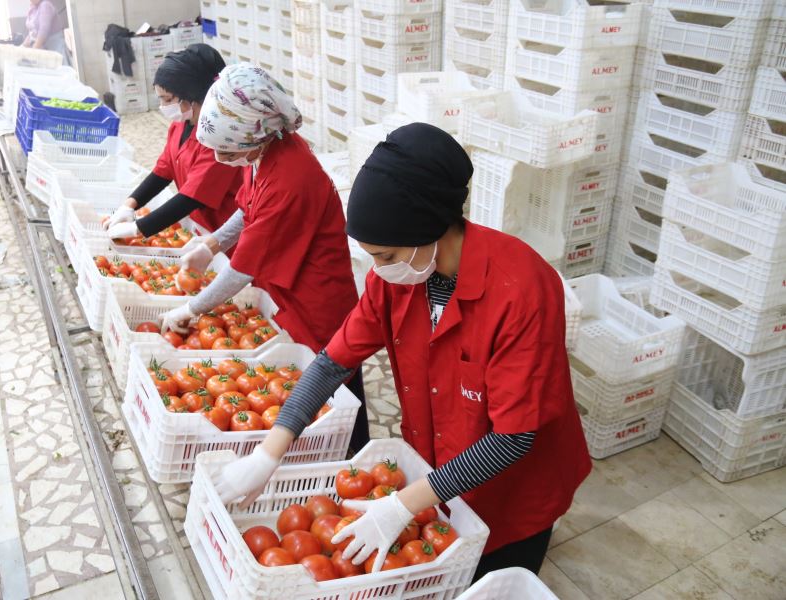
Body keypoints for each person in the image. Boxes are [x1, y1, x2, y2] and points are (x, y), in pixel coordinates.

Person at [212, 123, 592, 577]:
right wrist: (270, 451)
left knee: (497, 575)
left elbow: (513, 437)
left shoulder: (521, 289)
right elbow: (333, 362)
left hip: (517, 486)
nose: (378, 270)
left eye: (387, 256)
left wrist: (401, 506)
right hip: (442, 468)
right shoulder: (397, 280)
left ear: (432, 229)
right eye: (372, 256)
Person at [159, 63, 370, 452]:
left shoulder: (292, 175)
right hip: (289, 289)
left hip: (315, 297)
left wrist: (191, 308)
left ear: (251, 137)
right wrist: (212, 245)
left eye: (226, 149)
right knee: (305, 384)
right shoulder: (265, 153)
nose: (221, 157)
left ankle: (352, 450)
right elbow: (248, 208)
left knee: (337, 381)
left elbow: (244, 268)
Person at [104, 45, 241, 239]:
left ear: (191, 96)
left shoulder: (219, 137)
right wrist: (130, 204)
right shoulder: (180, 124)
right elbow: (164, 169)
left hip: (224, 231)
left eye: (168, 99)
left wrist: (138, 229)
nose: (163, 107)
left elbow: (192, 197)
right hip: (198, 225)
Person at [22, 0, 70, 65]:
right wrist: (21, 49)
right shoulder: (33, 8)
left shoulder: (45, 5)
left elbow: (43, 32)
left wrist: (32, 54)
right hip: (45, 50)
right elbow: (32, 33)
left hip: (55, 50)